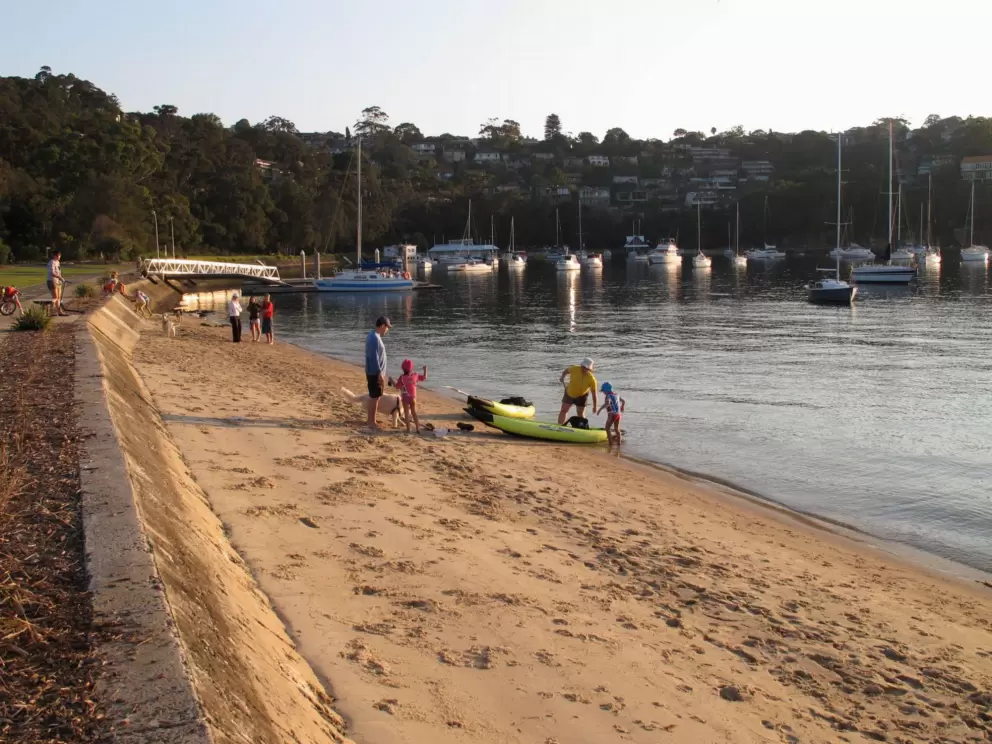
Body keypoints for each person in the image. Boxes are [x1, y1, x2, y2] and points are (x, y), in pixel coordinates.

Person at [364, 316, 391, 430]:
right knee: (374, 397)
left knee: (375, 397)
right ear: (382, 326)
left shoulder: (373, 336)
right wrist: (380, 373)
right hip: (375, 373)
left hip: (374, 372)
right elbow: (374, 357)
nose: (387, 330)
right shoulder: (374, 338)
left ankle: (371, 419)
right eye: (387, 327)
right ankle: (371, 422)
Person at [558, 357, 598, 425]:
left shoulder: (592, 379)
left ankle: (582, 429)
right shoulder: (574, 368)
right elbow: (566, 371)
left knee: (580, 413)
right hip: (569, 393)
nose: (584, 369)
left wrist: (595, 407)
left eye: (586, 368)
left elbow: (594, 395)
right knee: (563, 410)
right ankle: (560, 426)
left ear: (589, 369)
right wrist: (562, 377)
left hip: (581, 396)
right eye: (583, 367)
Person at [394, 359, 428, 433]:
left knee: (406, 414)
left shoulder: (402, 378)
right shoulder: (415, 375)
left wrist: (391, 381)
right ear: (411, 368)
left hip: (405, 398)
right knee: (414, 413)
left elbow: (397, 387)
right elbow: (424, 377)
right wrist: (425, 369)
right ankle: (417, 429)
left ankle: (408, 429)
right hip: (413, 398)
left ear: (402, 368)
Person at [596, 382, 626, 446]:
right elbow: (623, 401)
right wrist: (622, 406)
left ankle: (610, 444)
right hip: (618, 414)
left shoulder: (608, 396)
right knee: (617, 429)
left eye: (603, 391)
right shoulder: (616, 395)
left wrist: (599, 409)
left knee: (607, 428)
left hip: (612, 415)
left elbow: (607, 403)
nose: (603, 393)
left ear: (606, 390)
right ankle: (619, 444)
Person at [46, 250, 67, 316]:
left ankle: (59, 311)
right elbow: (52, 273)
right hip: (52, 281)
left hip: (58, 281)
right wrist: (60, 278)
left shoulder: (58, 262)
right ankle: (50, 310)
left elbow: (58, 272)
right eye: (59, 255)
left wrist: (60, 279)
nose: (60, 257)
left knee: (58, 298)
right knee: (55, 298)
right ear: (55, 256)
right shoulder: (51, 262)